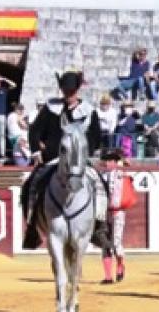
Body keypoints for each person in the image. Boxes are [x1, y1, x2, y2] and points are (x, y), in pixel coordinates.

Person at [22, 71, 107, 250]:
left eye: (71, 91)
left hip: (80, 161)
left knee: (100, 184)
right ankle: (32, 228)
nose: (68, 95)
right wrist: (36, 151)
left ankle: (100, 227)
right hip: (53, 159)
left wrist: (85, 153)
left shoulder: (88, 111)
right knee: (31, 184)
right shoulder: (51, 108)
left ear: (77, 90)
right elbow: (34, 130)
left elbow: (96, 137)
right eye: (65, 91)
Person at [100, 149, 134, 284]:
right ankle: (108, 276)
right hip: (103, 212)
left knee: (116, 242)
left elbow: (129, 170)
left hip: (118, 212)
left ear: (115, 162)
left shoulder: (121, 174)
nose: (108, 163)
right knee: (105, 243)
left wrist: (124, 162)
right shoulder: (101, 176)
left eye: (111, 161)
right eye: (106, 161)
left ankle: (120, 265)